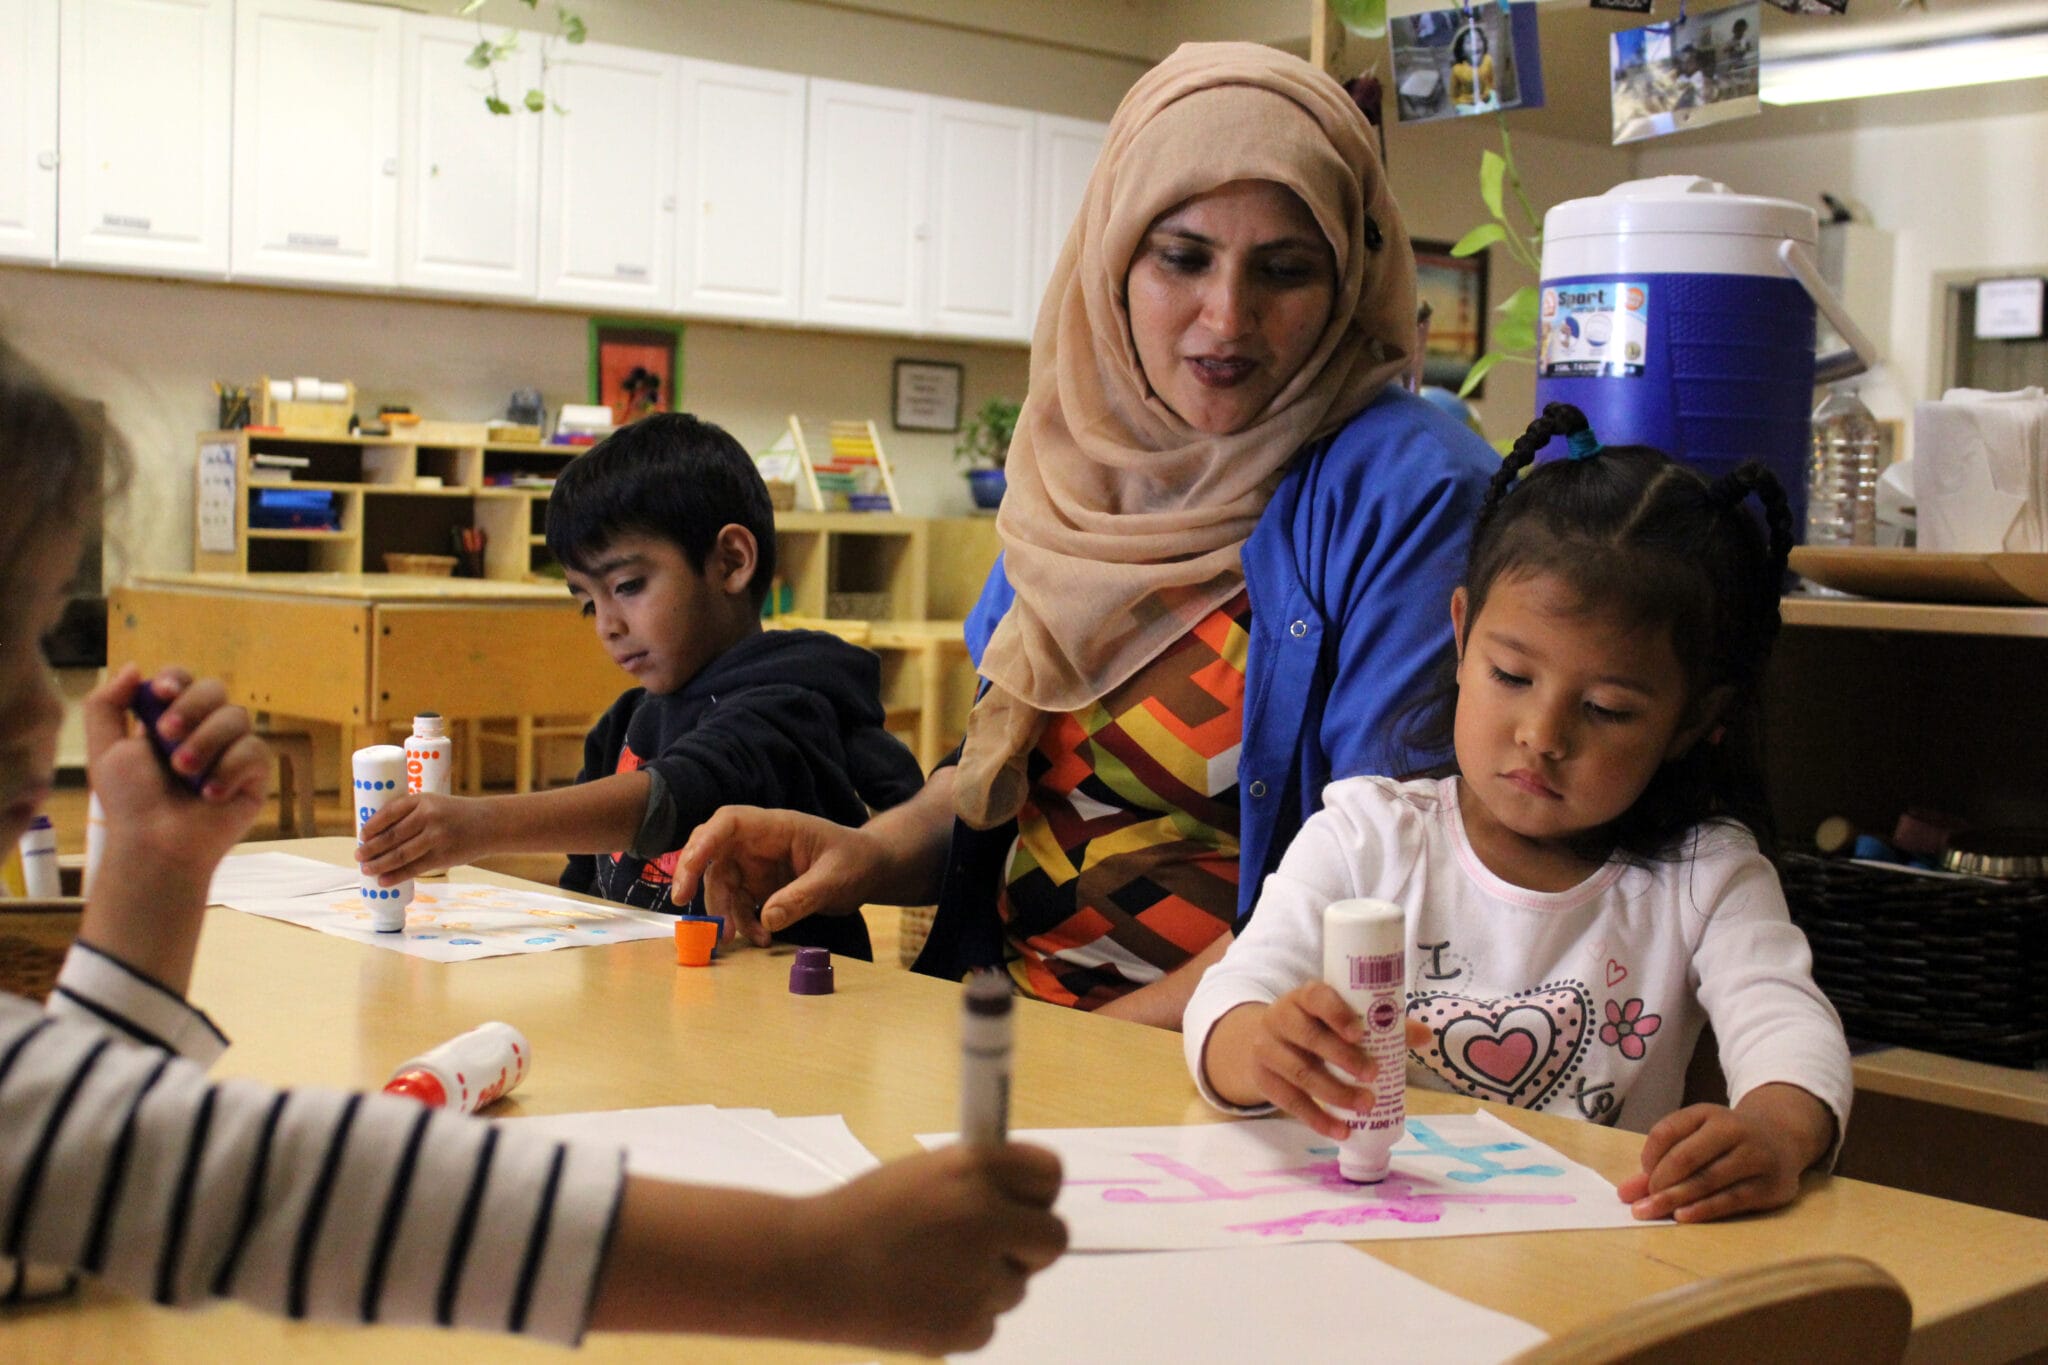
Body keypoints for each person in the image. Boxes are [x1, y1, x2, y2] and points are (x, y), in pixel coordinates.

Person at [0, 336, 1065, 1348]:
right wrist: (810, 1261)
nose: (43, 714)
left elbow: (92, 1162)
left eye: (44, 637)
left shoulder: (794, 685)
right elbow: (222, 1183)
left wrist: (156, 865)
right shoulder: (631, 719)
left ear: (730, 561)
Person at [672, 42, 1497, 1028]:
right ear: (1111, 258)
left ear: (1346, 281)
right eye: (1182, 258)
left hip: (1230, 1082)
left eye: (1283, 270)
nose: (1225, 316)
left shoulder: (1407, 493)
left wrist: (1079, 1060)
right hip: (1009, 1034)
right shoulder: (1077, 468)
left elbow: (1373, 891)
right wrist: (864, 853)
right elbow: (992, 791)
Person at [1184, 402, 1853, 1225]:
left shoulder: (1705, 874)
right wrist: (1261, 1047)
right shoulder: (1368, 834)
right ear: (1461, 636)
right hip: (1370, 1244)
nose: (1542, 736)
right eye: (1511, 675)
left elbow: (1792, 1031)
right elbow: (1226, 1004)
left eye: (1607, 708)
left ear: (1691, 720)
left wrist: (1773, 1133)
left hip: (1592, 1267)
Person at [355, 412, 925, 960]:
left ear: (730, 561)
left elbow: (672, 795)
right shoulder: (626, 720)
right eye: (587, 603)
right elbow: (582, 889)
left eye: (627, 585)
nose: (607, 624)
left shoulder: (785, 703)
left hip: (778, 1011)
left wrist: (477, 825)